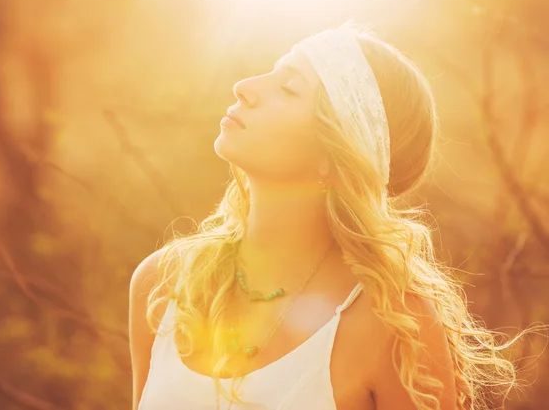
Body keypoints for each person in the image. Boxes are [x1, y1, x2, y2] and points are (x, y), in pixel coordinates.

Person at [129, 21, 526, 410]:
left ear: (335, 154)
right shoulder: (162, 283)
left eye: (288, 88)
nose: (245, 87)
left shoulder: (395, 326)